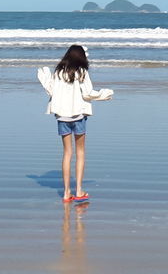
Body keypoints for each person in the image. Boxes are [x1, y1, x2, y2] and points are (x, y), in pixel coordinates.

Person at [37, 44, 113, 202]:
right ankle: (78, 190)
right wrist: (104, 94)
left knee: (67, 153)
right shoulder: (82, 72)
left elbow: (51, 91)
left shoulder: (59, 72)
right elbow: (88, 94)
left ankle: (66, 193)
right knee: (80, 152)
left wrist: (45, 78)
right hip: (78, 116)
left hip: (62, 117)